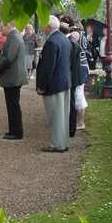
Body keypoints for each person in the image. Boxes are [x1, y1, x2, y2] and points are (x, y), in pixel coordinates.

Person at [36, 15, 72, 153]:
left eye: (43, 24)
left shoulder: (51, 42)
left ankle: (57, 144)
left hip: (54, 85)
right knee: (63, 116)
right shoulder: (64, 39)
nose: (42, 27)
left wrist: (42, 86)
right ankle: (63, 142)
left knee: (55, 116)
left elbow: (48, 68)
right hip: (64, 82)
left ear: (48, 26)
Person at [0, 21, 28, 140]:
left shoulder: (14, 37)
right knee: (12, 106)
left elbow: (9, 58)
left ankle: (16, 132)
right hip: (13, 77)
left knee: (13, 106)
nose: (0, 29)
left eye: (1, 27)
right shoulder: (14, 36)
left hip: (13, 77)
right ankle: (14, 130)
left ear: (8, 26)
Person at [60, 21, 82, 138]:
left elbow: (69, 63)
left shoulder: (71, 43)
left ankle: (71, 129)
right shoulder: (71, 41)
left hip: (71, 77)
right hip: (72, 76)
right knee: (70, 102)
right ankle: (69, 127)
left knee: (70, 103)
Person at [70, 30, 89, 131]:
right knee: (78, 96)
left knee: (79, 96)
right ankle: (78, 121)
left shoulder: (77, 45)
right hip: (82, 70)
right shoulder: (79, 44)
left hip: (81, 72)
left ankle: (81, 122)